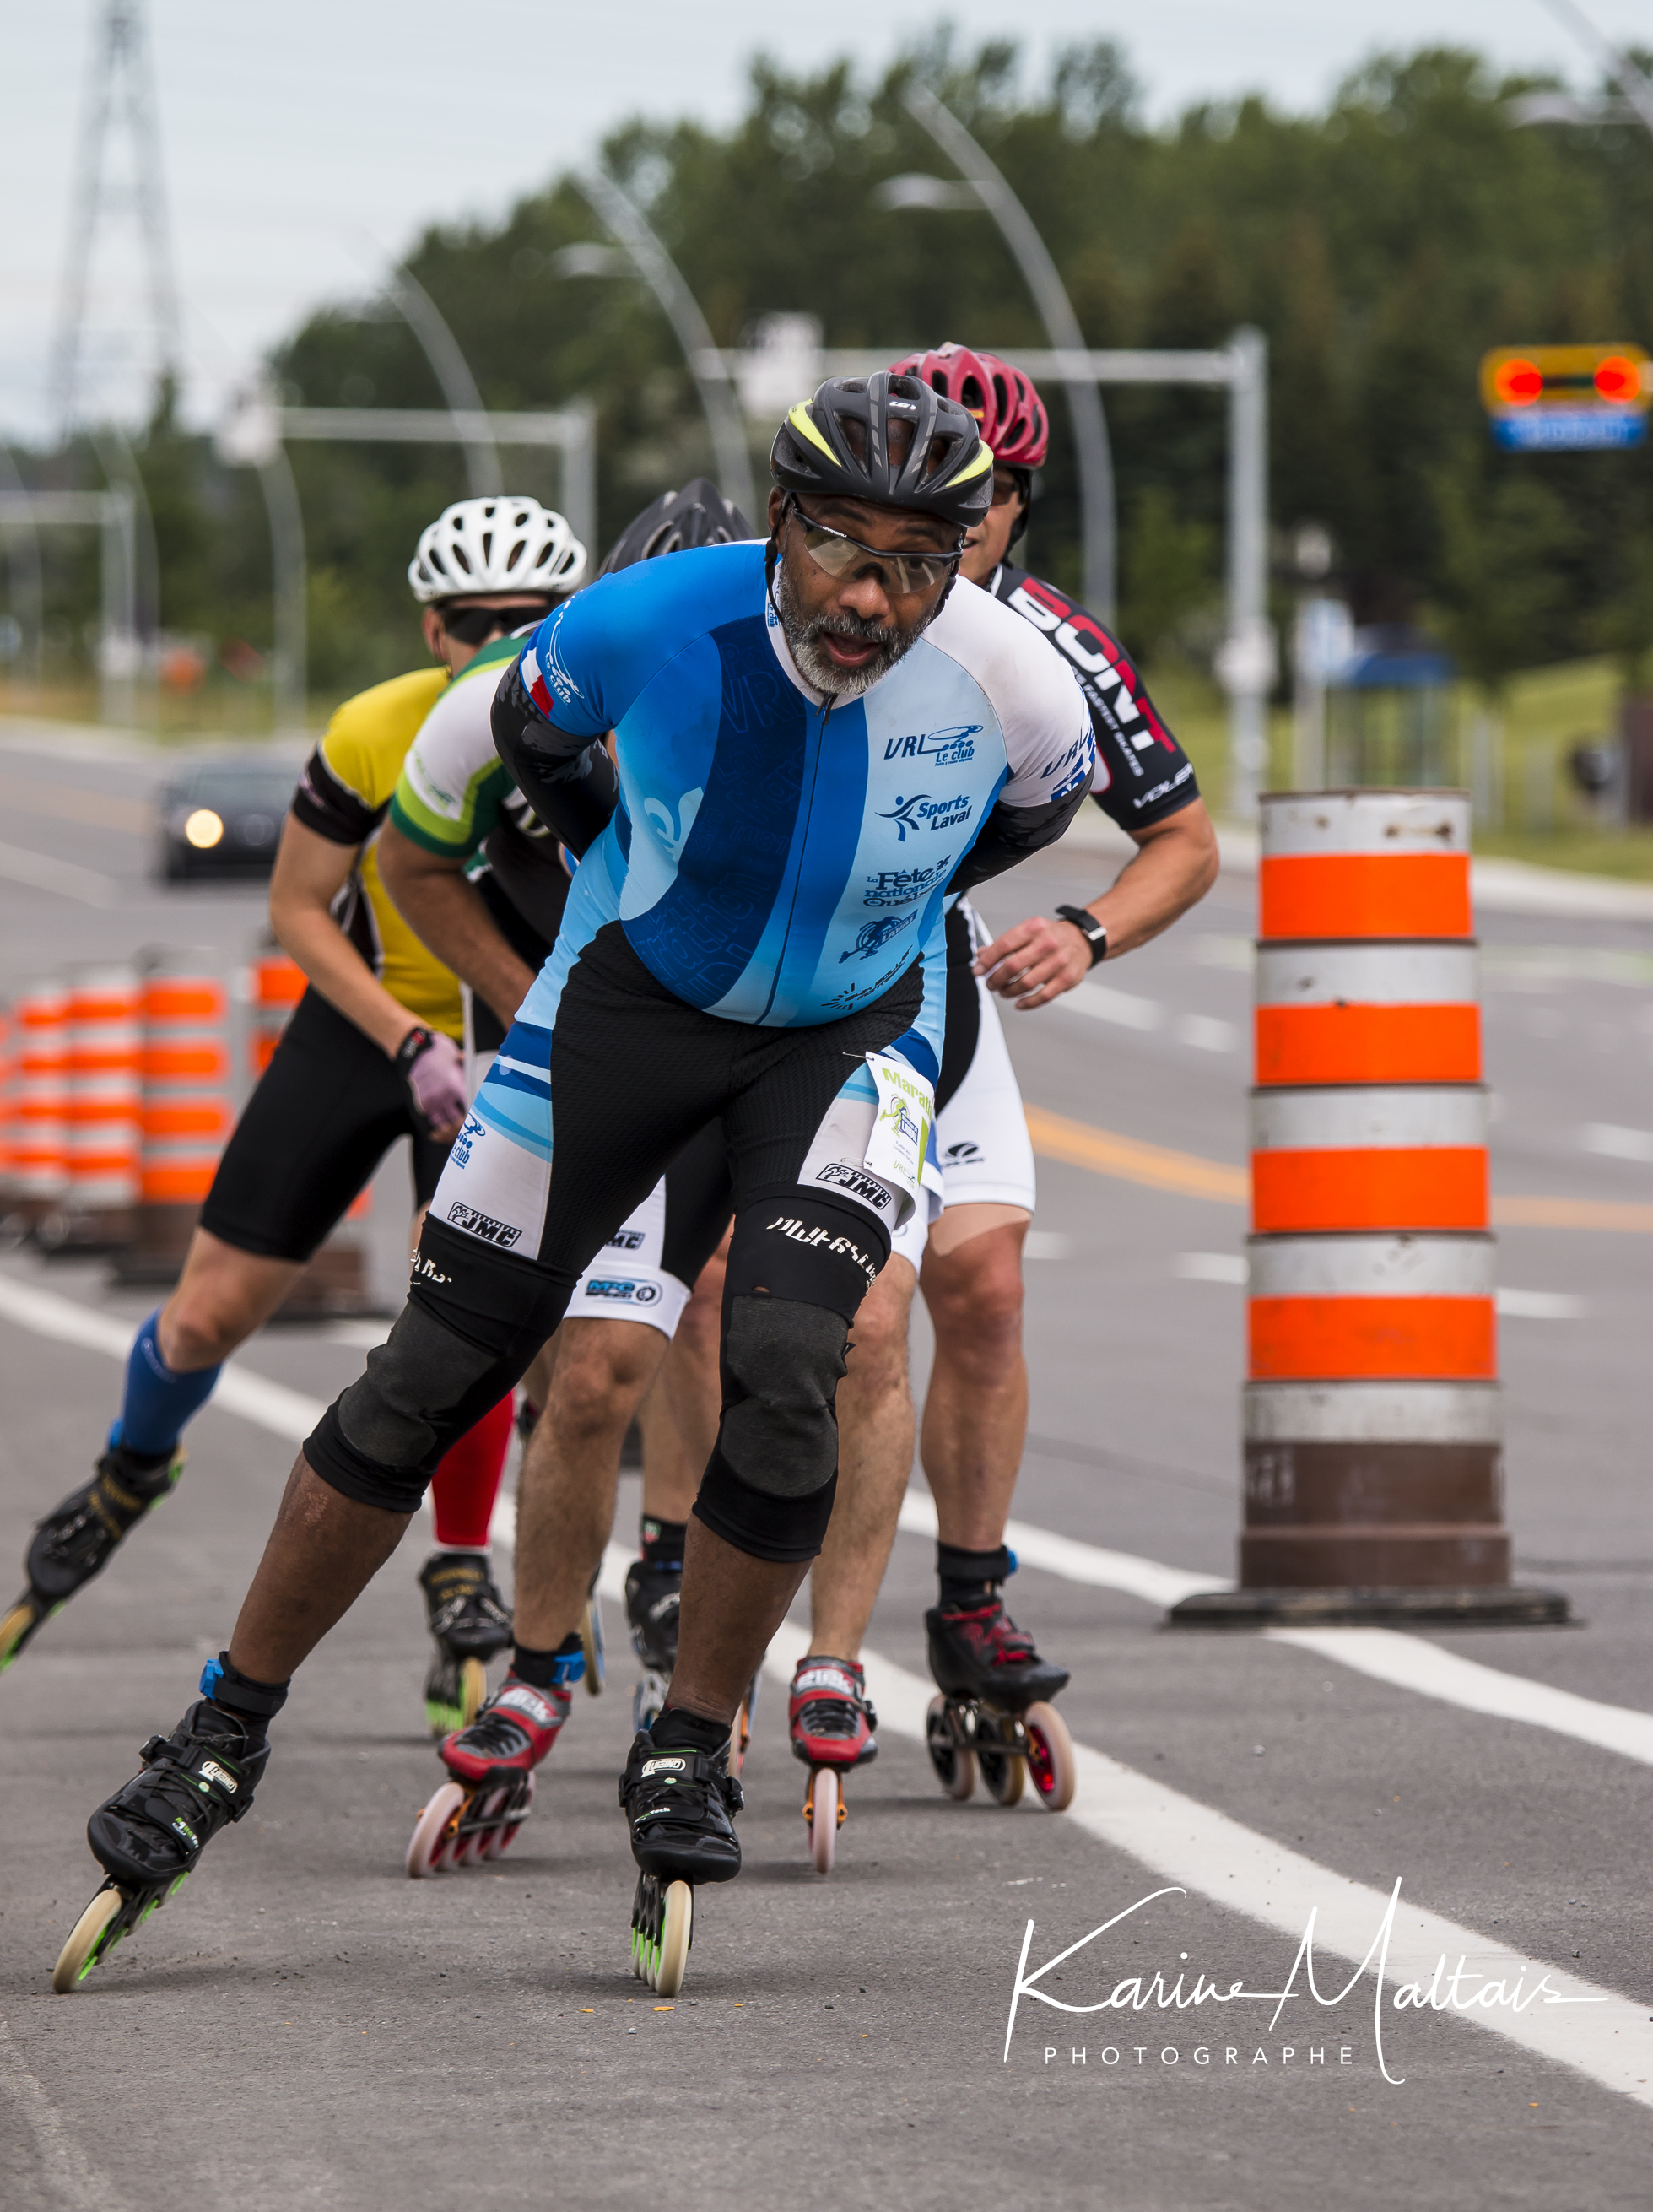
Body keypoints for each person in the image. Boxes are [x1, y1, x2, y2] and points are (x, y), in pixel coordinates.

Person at [60, 370, 1094, 1975]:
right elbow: (433, 825)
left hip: (845, 1038)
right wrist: (549, 929)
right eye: (839, 548)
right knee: (431, 1378)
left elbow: (1023, 825)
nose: (873, 597)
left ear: (966, 559)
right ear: (777, 525)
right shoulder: (632, 629)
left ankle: (684, 1738)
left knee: (788, 1367)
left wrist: (855, 926)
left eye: (918, 559)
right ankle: (222, 1730)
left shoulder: (1019, 683)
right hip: (620, 1012)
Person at [3, 496, 586, 1750]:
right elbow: (300, 906)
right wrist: (404, 1039)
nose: (500, 641)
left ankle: (460, 1564)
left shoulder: (601, 726)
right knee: (208, 1312)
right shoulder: (379, 727)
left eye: (529, 620)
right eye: (475, 623)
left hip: (498, 1040)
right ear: (434, 628)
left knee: (465, 1301)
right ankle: (127, 1469)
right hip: (374, 1026)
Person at [781, 345, 1219, 1778]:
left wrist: (1088, 932)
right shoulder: (814, 600)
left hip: (932, 978)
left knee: (981, 1284)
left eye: (981, 507)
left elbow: (1186, 842)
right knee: (856, 1308)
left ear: (1015, 507)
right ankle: (735, 1596)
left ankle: (971, 1604)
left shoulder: (1047, 641)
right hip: (794, 980)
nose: (945, 537)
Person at [377, 483, 751, 1763]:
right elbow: (396, 867)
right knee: (566, 1368)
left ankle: (662, 1561)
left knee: (698, 1301)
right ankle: (521, 1620)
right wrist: (506, 998)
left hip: (710, 1033)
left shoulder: (808, 711)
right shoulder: (531, 700)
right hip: (552, 1021)